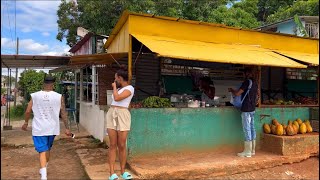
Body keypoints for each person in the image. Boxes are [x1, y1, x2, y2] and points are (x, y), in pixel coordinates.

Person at [21, 75, 71, 180]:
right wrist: (67, 128)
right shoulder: (59, 96)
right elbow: (63, 113)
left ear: (43, 84)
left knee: (43, 150)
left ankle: (44, 174)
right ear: (53, 84)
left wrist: (26, 122)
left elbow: (28, 111)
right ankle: (44, 169)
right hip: (52, 128)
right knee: (47, 149)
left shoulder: (35, 96)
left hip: (39, 128)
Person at [106, 67, 134, 180]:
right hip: (112, 113)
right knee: (112, 145)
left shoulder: (130, 88)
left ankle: (123, 172)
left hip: (123, 114)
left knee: (122, 145)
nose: (114, 80)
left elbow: (117, 98)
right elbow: (114, 99)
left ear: (120, 78)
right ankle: (112, 173)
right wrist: (115, 88)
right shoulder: (119, 88)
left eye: (116, 78)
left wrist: (113, 87)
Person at [228, 67, 258, 158]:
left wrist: (232, 90)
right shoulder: (255, 83)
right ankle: (252, 150)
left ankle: (247, 152)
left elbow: (237, 93)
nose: (243, 75)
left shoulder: (247, 82)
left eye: (243, 74)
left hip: (246, 109)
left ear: (246, 74)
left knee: (247, 129)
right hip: (252, 108)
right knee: (252, 128)